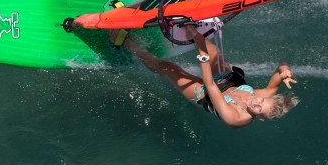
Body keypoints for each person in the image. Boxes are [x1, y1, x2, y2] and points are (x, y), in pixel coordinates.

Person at [113, 25, 299, 128]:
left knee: (168, 68)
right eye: (261, 100)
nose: (255, 102)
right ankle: (187, 26)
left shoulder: (235, 118)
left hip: (206, 93)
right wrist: (284, 71)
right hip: (229, 79)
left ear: (260, 118)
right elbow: (280, 65)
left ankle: (126, 43)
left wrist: (202, 57)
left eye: (258, 109)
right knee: (214, 52)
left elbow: (210, 85)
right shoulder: (265, 95)